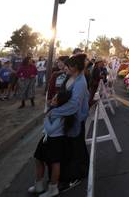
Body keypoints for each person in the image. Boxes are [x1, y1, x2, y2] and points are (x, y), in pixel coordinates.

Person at [28, 81, 75, 196]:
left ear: (61, 103)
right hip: (48, 139)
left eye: (55, 99)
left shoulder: (60, 115)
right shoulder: (56, 112)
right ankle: (38, 185)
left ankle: (53, 188)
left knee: (54, 163)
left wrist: (46, 119)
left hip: (54, 141)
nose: (52, 100)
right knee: (38, 159)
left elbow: (50, 129)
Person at [50, 54, 90, 190]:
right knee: (71, 148)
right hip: (66, 120)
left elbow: (74, 105)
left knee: (75, 149)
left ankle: (76, 176)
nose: (64, 67)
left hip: (75, 120)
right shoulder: (70, 77)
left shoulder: (81, 82)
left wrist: (55, 112)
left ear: (74, 67)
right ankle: (69, 174)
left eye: (67, 66)